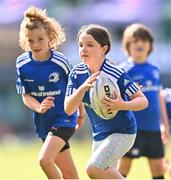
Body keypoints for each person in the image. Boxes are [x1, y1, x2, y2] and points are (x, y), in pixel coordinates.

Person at [64, 24, 148, 179]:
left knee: (93, 169)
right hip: (99, 135)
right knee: (100, 175)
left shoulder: (115, 73)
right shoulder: (76, 74)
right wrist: (82, 88)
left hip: (123, 132)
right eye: (81, 45)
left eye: (90, 45)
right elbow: (68, 109)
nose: (84, 49)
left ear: (104, 48)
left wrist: (121, 104)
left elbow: (142, 101)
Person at [16, 6, 85, 179]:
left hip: (65, 117)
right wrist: (39, 108)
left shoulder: (61, 62)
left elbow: (76, 88)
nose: (36, 44)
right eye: (31, 41)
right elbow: (26, 95)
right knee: (70, 175)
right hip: (43, 122)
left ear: (50, 38)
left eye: (40, 39)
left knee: (45, 160)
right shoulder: (22, 63)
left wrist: (81, 112)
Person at [118, 23, 169, 179]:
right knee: (123, 169)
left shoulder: (154, 69)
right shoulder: (124, 70)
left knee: (159, 170)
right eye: (135, 40)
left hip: (154, 129)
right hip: (132, 130)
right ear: (128, 45)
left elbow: (159, 96)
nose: (140, 43)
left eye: (144, 40)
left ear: (150, 45)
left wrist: (165, 124)